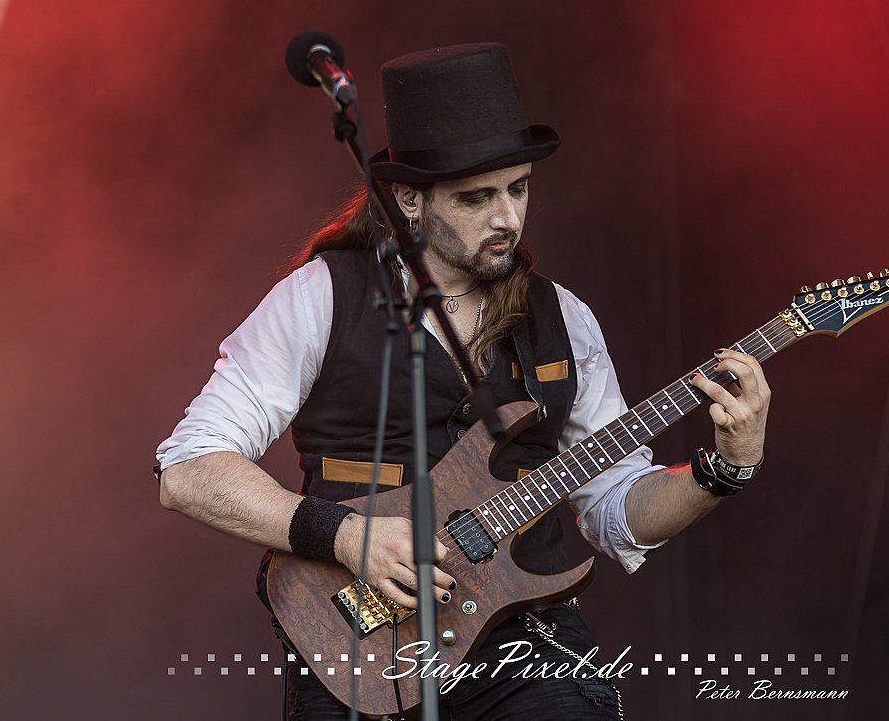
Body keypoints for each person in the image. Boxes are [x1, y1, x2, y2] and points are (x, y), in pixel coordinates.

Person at [156, 43, 770, 720]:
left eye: (518, 188)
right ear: (410, 200)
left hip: (524, 642)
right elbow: (189, 469)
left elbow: (617, 509)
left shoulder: (562, 319)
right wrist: (343, 534)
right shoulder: (320, 298)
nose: (508, 217)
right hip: (357, 645)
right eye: (478, 197)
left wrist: (725, 468)